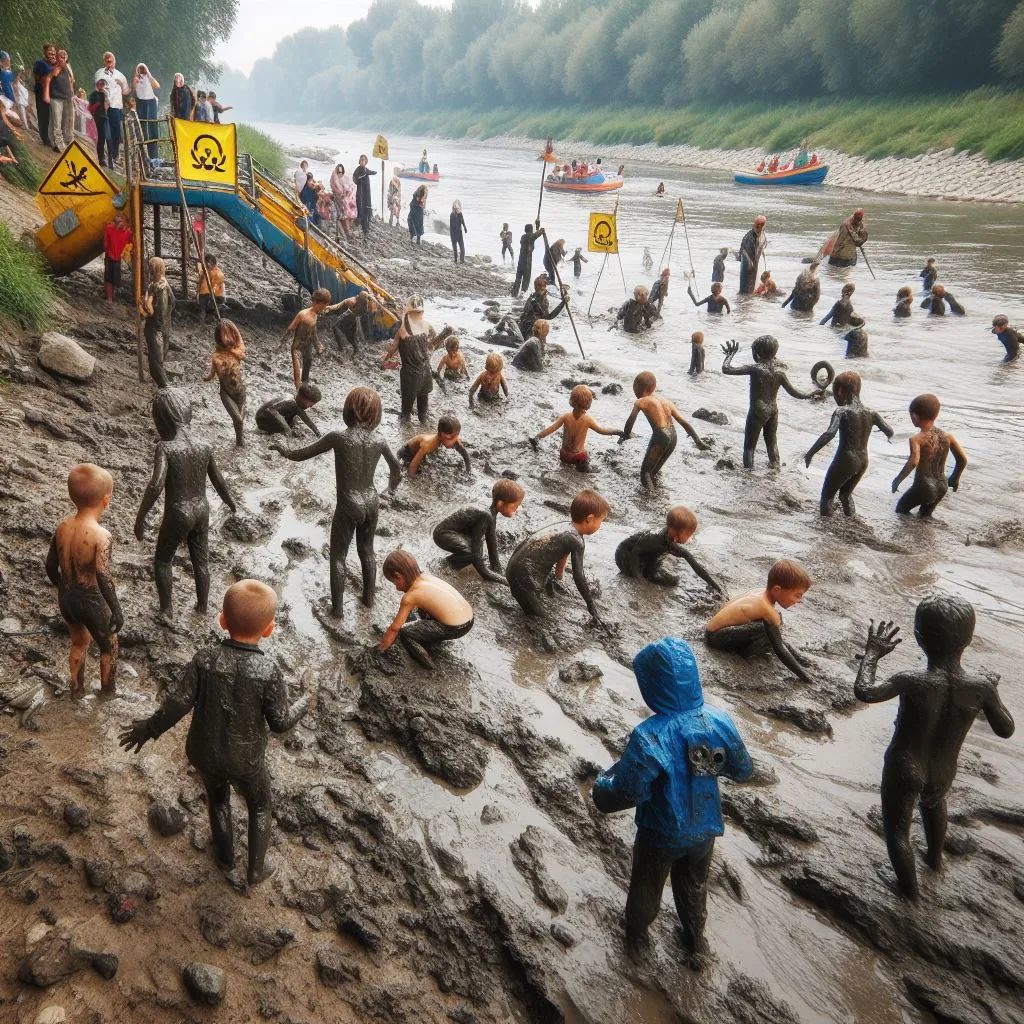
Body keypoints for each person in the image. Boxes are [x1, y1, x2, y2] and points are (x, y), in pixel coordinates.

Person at [119, 579, 310, 886]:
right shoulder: (268, 671)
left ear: (222, 621)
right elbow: (280, 722)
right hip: (245, 761)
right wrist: (304, 703)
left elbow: (178, 703)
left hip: (204, 753)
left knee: (217, 798)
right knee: (260, 804)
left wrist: (148, 729)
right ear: (269, 629)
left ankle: (225, 858)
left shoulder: (205, 659)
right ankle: (255, 871)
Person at [592, 637, 752, 958]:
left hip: (660, 831)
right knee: (694, 884)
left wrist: (601, 788)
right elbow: (743, 769)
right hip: (704, 828)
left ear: (652, 687)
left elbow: (628, 791)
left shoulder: (649, 735)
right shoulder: (719, 721)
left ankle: (636, 941)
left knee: (647, 887)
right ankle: (696, 942)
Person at [852, 598, 1015, 900]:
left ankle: (910, 894)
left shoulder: (910, 680)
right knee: (934, 804)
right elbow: (1006, 729)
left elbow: (865, 691)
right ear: (968, 639)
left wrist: (872, 654)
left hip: (905, 766)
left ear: (918, 637)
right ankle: (935, 861)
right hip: (943, 771)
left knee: (898, 833)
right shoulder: (980, 686)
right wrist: (990, 694)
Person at [272, 387, 401, 615]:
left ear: (348, 410)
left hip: (348, 504)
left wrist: (282, 449)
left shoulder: (338, 438)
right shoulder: (379, 440)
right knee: (367, 551)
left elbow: (300, 454)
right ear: (376, 415)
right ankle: (368, 601)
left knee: (338, 556)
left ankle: (338, 611)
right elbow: (396, 470)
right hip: (372, 502)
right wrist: (388, 491)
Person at [134, 388, 237, 620]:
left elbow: (156, 485)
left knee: (162, 560)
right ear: (188, 412)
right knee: (201, 561)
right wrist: (231, 504)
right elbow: (219, 480)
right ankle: (202, 607)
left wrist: (140, 519)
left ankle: (166, 610)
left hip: (178, 512)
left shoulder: (165, 448)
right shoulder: (204, 446)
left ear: (160, 420)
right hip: (202, 510)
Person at [45, 463, 123, 694]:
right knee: (110, 646)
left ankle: (76, 690)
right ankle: (108, 693)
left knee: (79, 642)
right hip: (91, 599)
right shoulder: (102, 536)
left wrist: (60, 585)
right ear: (106, 500)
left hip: (67, 598)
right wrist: (116, 609)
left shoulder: (62, 527)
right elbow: (103, 576)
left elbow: (50, 565)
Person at [505, 488, 609, 623]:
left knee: (534, 604)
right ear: (590, 519)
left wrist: (558, 579)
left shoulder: (566, 528)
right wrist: (591, 605)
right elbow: (579, 576)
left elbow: (562, 555)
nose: (600, 525)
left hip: (513, 569)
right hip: (524, 578)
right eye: (601, 521)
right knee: (540, 620)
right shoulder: (577, 541)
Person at [721, 336, 823, 469]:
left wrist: (729, 355)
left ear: (758, 353)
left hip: (758, 410)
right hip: (773, 411)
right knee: (772, 443)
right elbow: (795, 393)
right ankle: (775, 467)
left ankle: (748, 473)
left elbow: (726, 369)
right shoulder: (779, 373)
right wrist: (810, 394)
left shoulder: (755, 369)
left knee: (749, 447)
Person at [705, 559, 813, 683]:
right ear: (777, 589)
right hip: (716, 638)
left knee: (774, 623)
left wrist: (801, 660)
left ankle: (747, 649)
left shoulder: (761, 593)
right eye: (797, 595)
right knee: (768, 628)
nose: (799, 600)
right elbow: (780, 649)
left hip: (714, 632)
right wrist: (807, 678)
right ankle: (746, 654)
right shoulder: (766, 609)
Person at [804, 371, 894, 517]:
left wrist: (810, 453)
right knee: (845, 495)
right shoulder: (871, 413)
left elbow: (829, 434)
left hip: (846, 460)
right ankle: (852, 520)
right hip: (863, 461)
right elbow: (889, 431)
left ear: (840, 391)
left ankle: (825, 532)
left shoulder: (842, 411)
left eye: (835, 392)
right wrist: (887, 437)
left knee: (827, 498)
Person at [379, 550, 474, 670]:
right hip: (469, 619)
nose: (396, 588)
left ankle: (428, 663)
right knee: (421, 611)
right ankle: (431, 639)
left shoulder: (410, 596)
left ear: (399, 575)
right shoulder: (427, 578)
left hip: (455, 628)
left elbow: (395, 628)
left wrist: (381, 648)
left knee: (406, 634)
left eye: (394, 582)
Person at [620, 371, 710, 489]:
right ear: (654, 387)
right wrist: (698, 441)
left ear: (637, 388)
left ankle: (650, 497)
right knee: (654, 471)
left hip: (660, 436)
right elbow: (684, 422)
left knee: (645, 472)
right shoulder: (667, 402)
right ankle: (656, 493)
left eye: (634, 388)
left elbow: (630, 420)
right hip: (673, 436)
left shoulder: (640, 402)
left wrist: (626, 435)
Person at [432, 479, 525, 584]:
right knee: (470, 554)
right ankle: (444, 565)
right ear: (500, 503)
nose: (516, 510)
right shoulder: (485, 515)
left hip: (457, 533)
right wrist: (495, 578)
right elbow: (475, 556)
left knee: (478, 547)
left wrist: (497, 570)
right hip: (443, 534)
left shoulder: (491, 515)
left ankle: (454, 563)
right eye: (515, 506)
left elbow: (491, 542)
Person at [615, 506, 724, 594]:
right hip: (625, 555)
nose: (688, 539)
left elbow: (695, 565)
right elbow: (635, 553)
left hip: (644, 555)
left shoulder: (669, 540)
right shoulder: (655, 539)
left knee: (672, 581)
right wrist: (639, 579)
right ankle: (646, 575)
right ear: (673, 530)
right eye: (688, 534)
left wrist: (716, 587)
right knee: (648, 577)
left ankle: (649, 574)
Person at [891, 393, 967, 518]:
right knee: (925, 516)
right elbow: (962, 460)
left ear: (915, 416)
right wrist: (955, 477)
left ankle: (909, 536)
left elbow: (914, 461)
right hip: (942, 486)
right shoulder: (948, 437)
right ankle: (924, 536)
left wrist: (897, 480)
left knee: (901, 510)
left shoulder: (917, 439)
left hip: (924, 487)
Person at [531, 384, 623, 473]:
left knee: (571, 452)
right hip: (578, 457)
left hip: (563, 455)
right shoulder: (588, 419)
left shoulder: (566, 416)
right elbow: (602, 431)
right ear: (589, 403)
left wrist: (537, 437)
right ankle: (586, 469)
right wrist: (619, 432)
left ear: (571, 400)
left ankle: (571, 465)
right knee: (586, 454)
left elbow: (550, 429)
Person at [380, 297, 443, 422]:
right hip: (424, 370)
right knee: (423, 401)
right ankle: (423, 420)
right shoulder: (427, 326)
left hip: (410, 373)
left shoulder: (402, 331)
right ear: (422, 312)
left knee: (407, 404)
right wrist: (430, 346)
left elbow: (393, 349)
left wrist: (385, 360)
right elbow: (435, 341)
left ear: (408, 312)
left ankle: (406, 422)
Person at [280, 288, 337, 389]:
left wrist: (317, 346)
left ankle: (305, 382)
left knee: (308, 361)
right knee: (297, 369)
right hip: (297, 346)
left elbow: (313, 331)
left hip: (307, 344)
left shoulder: (315, 314)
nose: (325, 307)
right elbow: (290, 329)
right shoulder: (303, 314)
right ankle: (298, 390)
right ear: (316, 302)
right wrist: (281, 344)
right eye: (324, 305)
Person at [203, 320, 247, 447]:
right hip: (226, 393)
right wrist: (207, 378)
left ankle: (240, 444)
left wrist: (229, 324)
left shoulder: (238, 351)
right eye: (224, 336)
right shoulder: (216, 356)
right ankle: (241, 445)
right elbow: (212, 373)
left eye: (229, 335)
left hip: (240, 392)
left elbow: (239, 341)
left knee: (239, 423)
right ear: (219, 338)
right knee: (238, 420)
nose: (227, 339)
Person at [140, 257, 175, 387]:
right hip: (166, 326)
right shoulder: (166, 284)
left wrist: (141, 310)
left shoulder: (152, 287)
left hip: (154, 327)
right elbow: (173, 303)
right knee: (161, 358)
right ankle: (163, 385)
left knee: (155, 360)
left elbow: (149, 310)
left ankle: (165, 387)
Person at [398, 414, 471, 476]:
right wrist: (412, 481)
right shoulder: (428, 445)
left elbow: (464, 453)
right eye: (452, 438)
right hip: (407, 452)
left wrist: (468, 472)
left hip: (422, 450)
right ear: (442, 435)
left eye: (456, 436)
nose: (456, 440)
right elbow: (413, 465)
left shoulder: (454, 437)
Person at [94, 52, 128, 166]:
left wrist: (122, 84)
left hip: (116, 106)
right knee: (104, 132)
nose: (109, 63)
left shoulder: (120, 75)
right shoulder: (100, 72)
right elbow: (98, 85)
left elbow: (126, 91)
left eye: (111, 60)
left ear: (115, 61)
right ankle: (103, 158)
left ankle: (114, 156)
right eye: (107, 61)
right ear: (104, 62)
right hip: (104, 105)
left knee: (116, 132)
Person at [256, 384, 322, 437]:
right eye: (311, 404)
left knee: (293, 422)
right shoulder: (292, 403)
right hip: (262, 419)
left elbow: (306, 419)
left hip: (261, 416)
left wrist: (317, 432)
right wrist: (286, 428)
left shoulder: (294, 401)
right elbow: (271, 410)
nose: (311, 406)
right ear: (303, 398)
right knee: (288, 430)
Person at [328, 292, 377, 358]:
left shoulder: (352, 301)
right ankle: (355, 350)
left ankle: (340, 347)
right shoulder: (367, 305)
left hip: (349, 318)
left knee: (335, 327)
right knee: (350, 337)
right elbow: (373, 311)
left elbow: (338, 306)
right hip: (354, 320)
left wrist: (329, 307)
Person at [46, 48, 74, 151]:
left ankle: (65, 141)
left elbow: (72, 80)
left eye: (65, 56)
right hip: (56, 97)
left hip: (67, 97)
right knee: (56, 121)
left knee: (66, 121)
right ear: (57, 57)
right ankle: (56, 144)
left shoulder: (68, 67)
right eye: (61, 56)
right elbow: (54, 74)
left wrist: (71, 92)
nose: (63, 58)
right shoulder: (54, 66)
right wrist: (61, 65)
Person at [102, 211, 132, 303]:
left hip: (117, 256)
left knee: (113, 277)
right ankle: (109, 297)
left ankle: (110, 296)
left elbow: (130, 243)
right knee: (109, 278)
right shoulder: (110, 229)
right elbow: (106, 244)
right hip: (111, 256)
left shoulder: (128, 232)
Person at [132, 63, 160, 159]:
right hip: (141, 102)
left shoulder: (149, 77)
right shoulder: (136, 79)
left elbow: (157, 86)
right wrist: (135, 83)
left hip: (151, 102)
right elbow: (135, 91)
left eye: (143, 68)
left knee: (152, 126)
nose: (141, 70)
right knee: (142, 126)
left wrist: (149, 75)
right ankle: (144, 153)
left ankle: (154, 154)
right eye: (139, 68)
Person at [32, 44, 57, 147]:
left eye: (53, 52)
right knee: (43, 115)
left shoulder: (55, 64)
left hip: (53, 93)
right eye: (50, 51)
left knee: (52, 116)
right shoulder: (40, 63)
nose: (52, 53)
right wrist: (44, 81)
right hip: (41, 92)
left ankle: (51, 138)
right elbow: (36, 77)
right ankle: (44, 138)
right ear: (45, 52)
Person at [512, 220, 543, 297]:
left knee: (518, 278)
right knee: (526, 279)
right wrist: (540, 229)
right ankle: (522, 294)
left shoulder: (523, 237)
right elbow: (537, 234)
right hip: (527, 262)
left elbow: (534, 235)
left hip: (520, 261)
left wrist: (537, 226)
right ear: (531, 230)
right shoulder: (530, 237)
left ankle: (514, 294)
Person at [738, 216, 767, 294]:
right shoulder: (748, 236)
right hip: (748, 264)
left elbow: (763, 244)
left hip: (756, 261)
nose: (759, 226)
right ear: (754, 224)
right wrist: (749, 262)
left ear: (764, 225)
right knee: (746, 287)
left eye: (762, 224)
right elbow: (743, 251)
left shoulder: (762, 234)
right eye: (758, 224)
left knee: (755, 283)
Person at [196, 252, 226, 324]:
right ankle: (203, 321)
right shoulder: (205, 271)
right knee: (203, 306)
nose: (206, 266)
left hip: (215, 295)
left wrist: (211, 296)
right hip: (205, 293)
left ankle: (208, 318)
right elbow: (200, 281)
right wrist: (197, 292)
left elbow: (216, 288)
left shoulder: (218, 274)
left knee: (209, 306)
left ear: (211, 264)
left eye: (207, 265)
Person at [87, 79, 110, 168]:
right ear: (97, 84)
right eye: (100, 83)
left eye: (103, 83)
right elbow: (90, 108)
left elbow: (108, 105)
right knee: (95, 137)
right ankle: (95, 156)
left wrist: (106, 106)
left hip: (104, 117)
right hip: (96, 117)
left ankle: (101, 158)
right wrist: (96, 105)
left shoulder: (105, 94)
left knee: (102, 138)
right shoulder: (93, 94)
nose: (101, 85)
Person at [329, 164, 355, 239]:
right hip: (337, 200)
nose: (340, 174)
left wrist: (346, 194)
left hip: (343, 201)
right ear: (336, 172)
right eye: (339, 172)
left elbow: (349, 189)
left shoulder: (343, 180)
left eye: (341, 172)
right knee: (339, 218)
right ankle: (341, 235)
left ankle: (347, 234)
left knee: (345, 217)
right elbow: (336, 191)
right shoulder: (333, 180)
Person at [353, 154, 376, 236]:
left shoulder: (366, 169)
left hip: (366, 193)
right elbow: (354, 179)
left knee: (367, 209)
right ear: (360, 161)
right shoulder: (358, 169)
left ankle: (366, 230)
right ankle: (359, 224)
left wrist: (374, 172)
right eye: (361, 160)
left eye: (364, 160)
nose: (363, 161)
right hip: (360, 192)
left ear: (366, 161)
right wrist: (360, 177)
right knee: (360, 208)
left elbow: (371, 172)